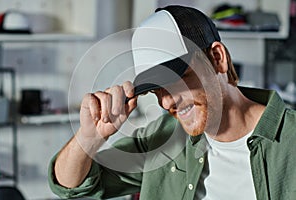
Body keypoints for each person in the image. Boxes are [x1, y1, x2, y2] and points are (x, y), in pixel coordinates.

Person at [48, 5, 296, 200]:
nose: (166, 102)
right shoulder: (163, 137)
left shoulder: (290, 142)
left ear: (217, 58)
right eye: (157, 89)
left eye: (176, 79)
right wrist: (89, 137)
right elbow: (71, 186)